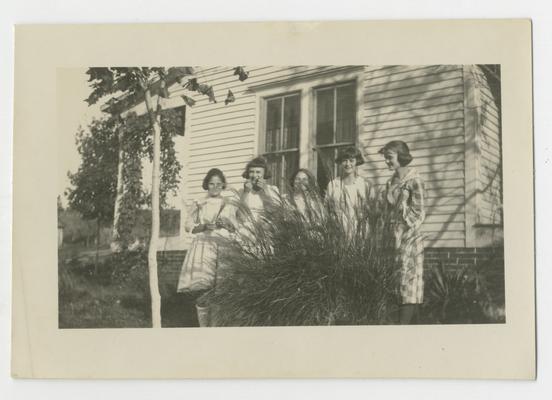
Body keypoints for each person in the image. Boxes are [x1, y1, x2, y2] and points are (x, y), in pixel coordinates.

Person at [379, 140, 426, 325]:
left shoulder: (415, 180)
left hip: (409, 238)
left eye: (389, 158)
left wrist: (397, 213)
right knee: (396, 284)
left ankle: (403, 328)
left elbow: (419, 213)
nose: (387, 162)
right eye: (385, 158)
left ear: (401, 156)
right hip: (392, 238)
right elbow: (387, 211)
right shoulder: (390, 182)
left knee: (408, 284)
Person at [177, 168, 236, 298]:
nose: (215, 187)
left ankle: (217, 317)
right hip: (204, 245)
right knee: (204, 287)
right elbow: (188, 226)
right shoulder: (200, 202)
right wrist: (204, 227)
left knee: (221, 286)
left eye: (218, 184)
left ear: (223, 185)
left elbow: (234, 227)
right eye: (211, 184)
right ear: (206, 184)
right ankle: (203, 316)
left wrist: (225, 224)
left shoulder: (228, 203)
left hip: (222, 244)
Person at [326, 146, 372, 230]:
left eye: (351, 160)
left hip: (359, 229)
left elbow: (370, 210)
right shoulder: (333, 184)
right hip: (337, 229)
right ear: (340, 162)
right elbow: (327, 208)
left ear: (357, 162)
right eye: (344, 160)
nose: (348, 164)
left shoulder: (364, 184)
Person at [238, 156, 281, 222]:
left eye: (258, 172)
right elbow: (240, 217)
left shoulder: (273, 190)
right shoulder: (241, 191)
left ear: (264, 174)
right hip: (246, 228)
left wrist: (264, 191)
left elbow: (274, 215)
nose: (254, 175)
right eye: (251, 172)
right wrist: (245, 193)